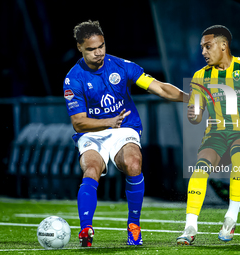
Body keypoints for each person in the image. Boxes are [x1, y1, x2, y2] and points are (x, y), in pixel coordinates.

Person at [63, 20, 188, 247]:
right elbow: (79, 124)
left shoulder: (121, 66)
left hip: (123, 128)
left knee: (133, 163)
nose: (98, 52)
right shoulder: (73, 79)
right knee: (91, 169)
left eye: (101, 46)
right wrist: (107, 121)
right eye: (91, 49)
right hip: (93, 132)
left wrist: (190, 97)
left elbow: (158, 87)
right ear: (79, 47)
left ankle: (134, 225)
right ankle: (86, 229)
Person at [177, 25, 240, 245]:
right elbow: (195, 116)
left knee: (239, 153)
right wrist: (194, 114)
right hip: (215, 133)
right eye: (202, 47)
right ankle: (190, 226)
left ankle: (231, 218)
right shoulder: (200, 76)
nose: (203, 52)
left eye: (208, 46)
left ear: (224, 46)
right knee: (200, 168)